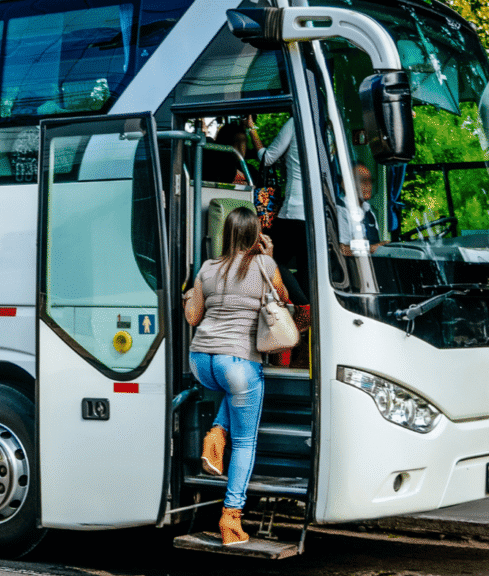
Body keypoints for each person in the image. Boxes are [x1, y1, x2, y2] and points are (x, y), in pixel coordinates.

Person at [182, 206, 290, 546]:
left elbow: (193, 316)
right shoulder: (264, 265)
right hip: (238, 363)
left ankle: (215, 434)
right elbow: (283, 300)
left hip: (202, 361)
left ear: (226, 235)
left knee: (232, 391)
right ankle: (231, 519)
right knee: (244, 443)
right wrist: (269, 256)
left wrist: (188, 294)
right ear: (256, 235)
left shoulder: (208, 268)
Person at [246, 115, 308, 297]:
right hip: (314, 213)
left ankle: (297, 302)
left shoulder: (296, 121)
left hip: (293, 211)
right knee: (306, 268)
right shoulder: (325, 128)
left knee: (267, 258)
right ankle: (307, 312)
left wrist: (251, 128)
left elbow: (267, 158)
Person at [337, 163, 386, 255]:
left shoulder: (369, 212)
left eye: (370, 181)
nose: (368, 185)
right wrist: (372, 248)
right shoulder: (341, 210)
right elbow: (342, 250)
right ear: (346, 183)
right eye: (363, 181)